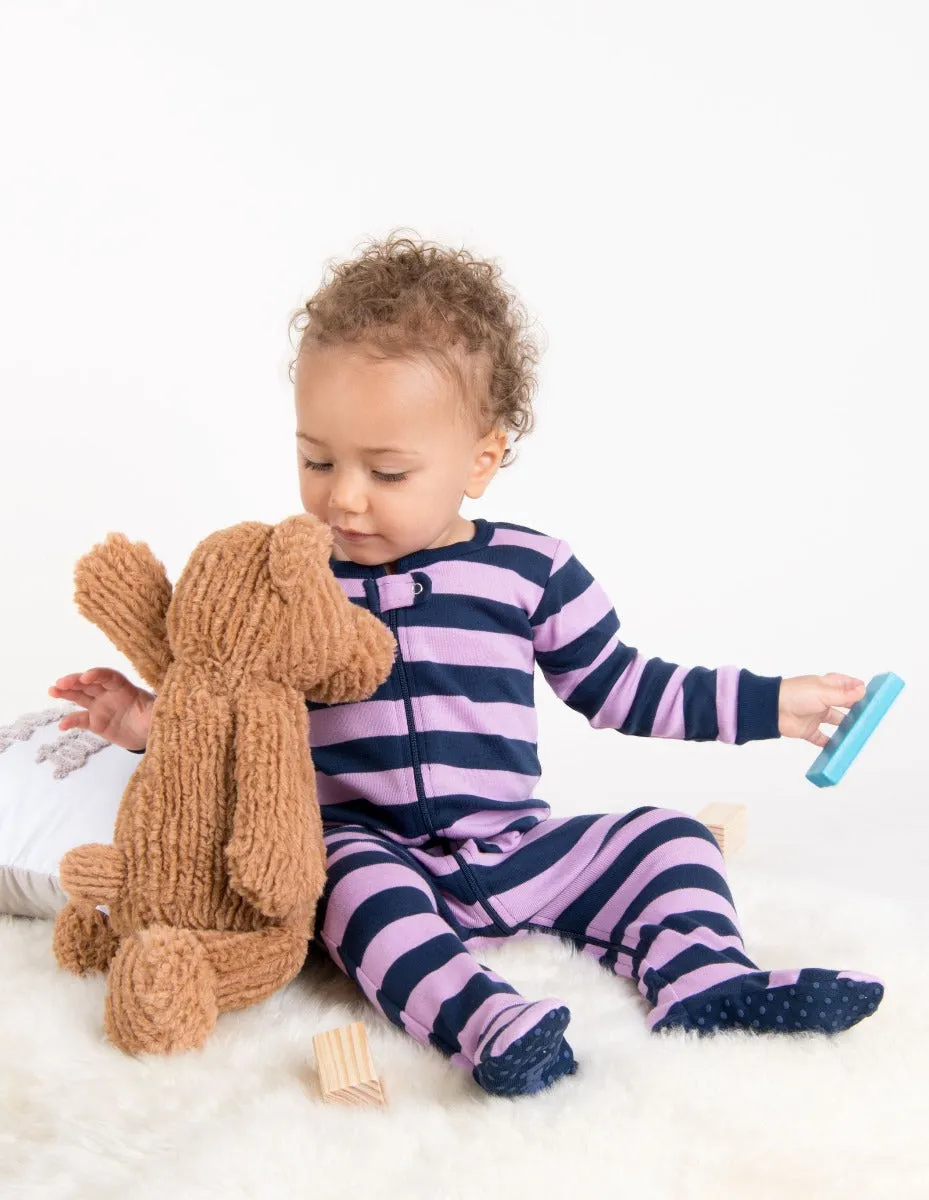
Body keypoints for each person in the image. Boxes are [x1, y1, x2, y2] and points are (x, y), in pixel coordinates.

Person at [49, 231, 884, 1098]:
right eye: (315, 459)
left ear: (479, 460)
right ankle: (486, 1022)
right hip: (364, 847)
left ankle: (705, 980)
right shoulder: (287, 585)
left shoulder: (530, 569)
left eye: (388, 470)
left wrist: (772, 705)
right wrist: (147, 722)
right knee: (350, 895)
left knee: (667, 839)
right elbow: (226, 719)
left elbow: (623, 686)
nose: (342, 495)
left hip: (514, 843)